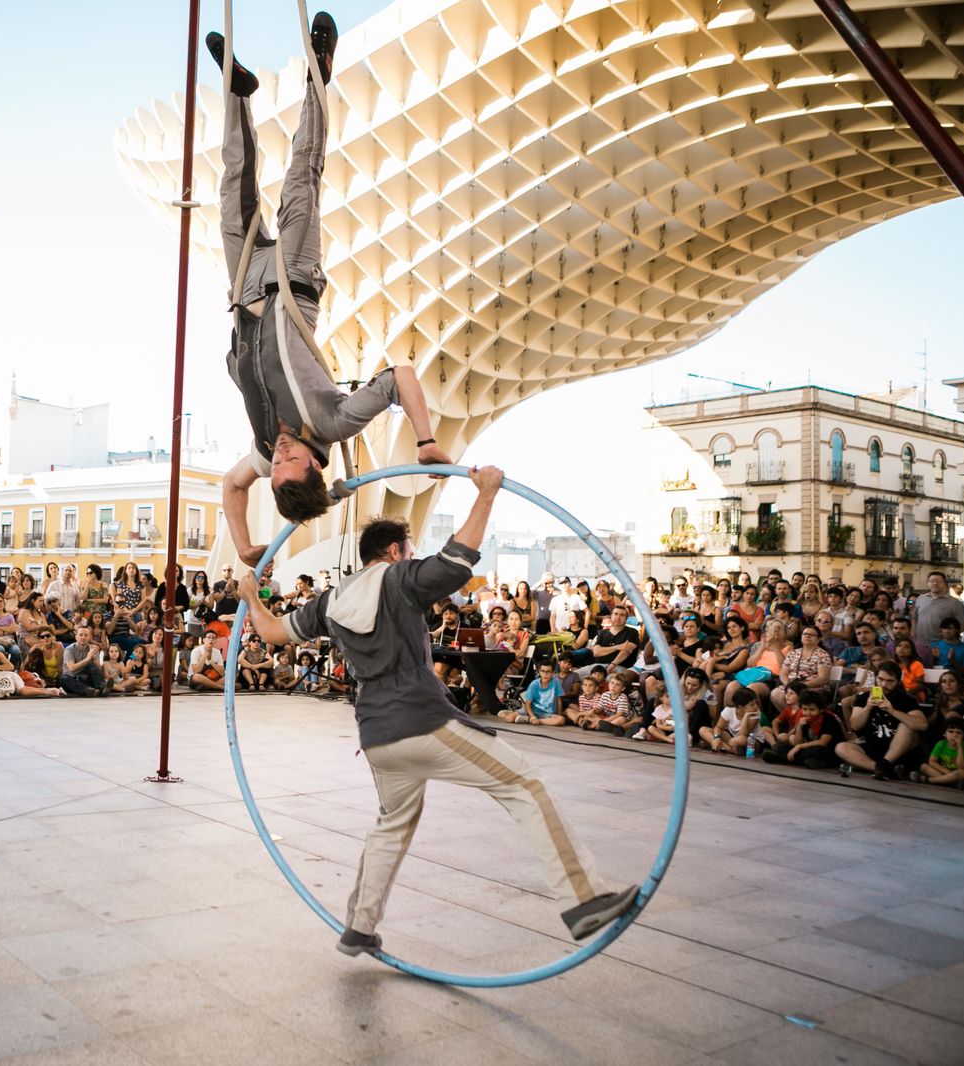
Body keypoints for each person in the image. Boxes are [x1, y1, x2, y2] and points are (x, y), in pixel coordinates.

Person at [236, 464, 637, 955]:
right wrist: (486, 493)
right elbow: (457, 560)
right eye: (408, 550)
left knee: (392, 822)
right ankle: (583, 899)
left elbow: (273, 632)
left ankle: (360, 925)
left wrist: (251, 598)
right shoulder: (401, 578)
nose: (413, 556)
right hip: (420, 721)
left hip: (377, 737)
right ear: (394, 552)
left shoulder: (329, 601)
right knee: (525, 785)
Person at [209, 16, 454, 566]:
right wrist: (423, 440)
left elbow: (231, 486)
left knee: (233, 188)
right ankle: (321, 73)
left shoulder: (267, 446)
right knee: (302, 175)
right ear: (316, 466)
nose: (280, 457)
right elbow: (401, 378)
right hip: (293, 283)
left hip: (245, 291)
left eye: (274, 466)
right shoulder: (334, 423)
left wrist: (247, 543)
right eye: (289, 462)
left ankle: (237, 94)